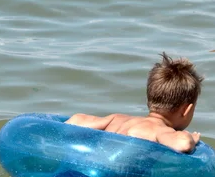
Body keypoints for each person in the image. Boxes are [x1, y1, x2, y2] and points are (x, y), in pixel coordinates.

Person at [65, 52, 204, 153]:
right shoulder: (160, 130)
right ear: (187, 110)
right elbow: (182, 145)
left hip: (80, 170)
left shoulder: (116, 118)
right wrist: (190, 137)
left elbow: (77, 119)